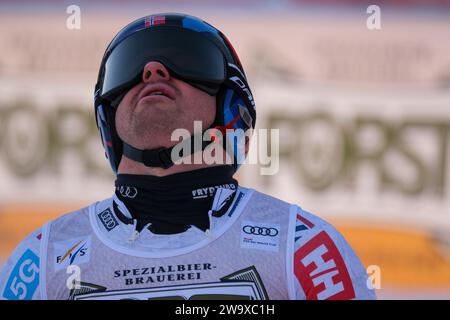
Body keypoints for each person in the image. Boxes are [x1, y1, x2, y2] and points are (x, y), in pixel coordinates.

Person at [0, 13, 376, 300]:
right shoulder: (42, 258)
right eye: (127, 70)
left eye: (188, 60)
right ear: (107, 117)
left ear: (230, 106)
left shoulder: (304, 250)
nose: (151, 70)